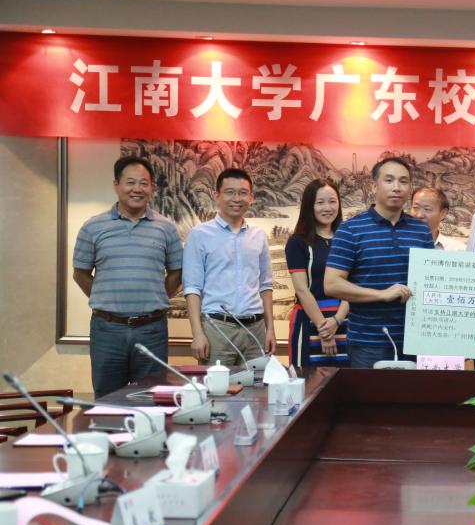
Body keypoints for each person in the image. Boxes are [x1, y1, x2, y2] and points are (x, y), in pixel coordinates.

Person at [72, 156, 183, 397]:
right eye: (130, 182)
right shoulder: (93, 227)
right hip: (107, 330)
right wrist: (107, 299)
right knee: (108, 399)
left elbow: (177, 272)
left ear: (152, 187)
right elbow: (80, 274)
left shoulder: (166, 228)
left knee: (151, 398)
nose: (137, 189)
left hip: (152, 329)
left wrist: (153, 298)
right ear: (116, 185)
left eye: (144, 183)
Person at [324, 157, 434, 368]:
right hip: (368, 343)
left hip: (415, 341)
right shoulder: (350, 229)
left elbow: (431, 279)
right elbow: (332, 284)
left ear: (410, 188)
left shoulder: (421, 230)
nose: (397, 187)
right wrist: (381, 294)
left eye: (403, 181)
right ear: (374, 186)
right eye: (389, 180)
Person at [183, 168, 275, 366]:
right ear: (216, 195)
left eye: (243, 193)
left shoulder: (258, 236)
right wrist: (197, 334)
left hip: (255, 329)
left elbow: (265, 285)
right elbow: (192, 288)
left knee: (258, 385)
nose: (237, 198)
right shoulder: (199, 235)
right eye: (230, 192)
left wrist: (270, 330)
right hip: (217, 329)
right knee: (217, 385)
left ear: (251, 197)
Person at [285, 179, 350, 368]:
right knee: (306, 379)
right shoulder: (297, 242)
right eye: (320, 202)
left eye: (332, 201)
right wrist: (325, 329)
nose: (327, 208)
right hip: (309, 319)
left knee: (347, 379)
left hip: (344, 319)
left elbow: (353, 286)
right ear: (309, 206)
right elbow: (302, 290)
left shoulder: (348, 239)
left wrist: (337, 320)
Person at [410, 186, 465, 251]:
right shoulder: (399, 243)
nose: (419, 215)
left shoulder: (458, 250)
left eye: (427, 209)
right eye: (415, 208)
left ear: (443, 213)